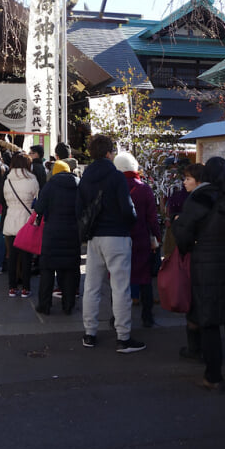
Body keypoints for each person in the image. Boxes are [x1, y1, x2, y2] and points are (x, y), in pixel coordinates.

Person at [174, 156, 225, 391]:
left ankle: (213, 376)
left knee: (209, 320)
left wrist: (186, 244)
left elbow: (184, 233)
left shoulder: (201, 198)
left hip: (206, 264)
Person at [77, 134, 144, 353]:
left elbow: (79, 210)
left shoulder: (85, 178)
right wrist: (129, 222)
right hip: (117, 236)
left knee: (92, 287)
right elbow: (127, 209)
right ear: (108, 153)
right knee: (120, 288)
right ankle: (123, 337)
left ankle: (89, 333)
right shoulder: (116, 177)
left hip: (94, 237)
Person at [114, 152, 161, 328]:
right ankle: (147, 317)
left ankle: (116, 318)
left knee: (118, 281)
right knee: (144, 279)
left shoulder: (113, 187)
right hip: (141, 239)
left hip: (118, 238)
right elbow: (152, 218)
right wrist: (157, 237)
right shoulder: (144, 189)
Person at [34, 160, 81, 315]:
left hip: (52, 232)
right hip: (73, 232)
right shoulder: (78, 185)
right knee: (69, 269)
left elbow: (39, 208)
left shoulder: (50, 186)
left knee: (47, 269)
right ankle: (68, 305)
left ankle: (44, 305)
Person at [177, 162, 205, 361]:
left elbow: (185, 235)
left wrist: (178, 222)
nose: (184, 182)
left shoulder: (196, 201)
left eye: (188, 178)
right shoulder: (222, 198)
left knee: (196, 304)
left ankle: (195, 349)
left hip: (200, 260)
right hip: (216, 262)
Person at [3, 152, 39, 298]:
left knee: (12, 257)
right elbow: (37, 199)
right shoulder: (32, 180)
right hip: (26, 222)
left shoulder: (7, 180)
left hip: (11, 220)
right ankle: (25, 288)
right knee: (26, 257)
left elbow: (6, 200)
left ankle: (12, 288)